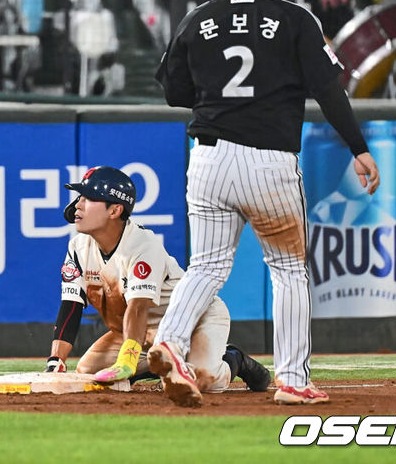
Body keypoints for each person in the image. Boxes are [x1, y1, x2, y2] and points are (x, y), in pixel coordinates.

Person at [153, 0, 381, 407]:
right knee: (288, 271)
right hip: (270, 164)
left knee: (208, 266)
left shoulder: (198, 18)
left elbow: (174, 92)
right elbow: (328, 89)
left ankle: (170, 342)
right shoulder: (296, 19)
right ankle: (294, 380)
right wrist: (358, 147)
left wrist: (214, 97)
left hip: (210, 159)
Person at [43, 165, 271, 400]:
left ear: (115, 210)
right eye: (80, 197)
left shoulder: (143, 245)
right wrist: (56, 360)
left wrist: (127, 359)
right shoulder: (78, 248)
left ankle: (234, 358)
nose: (78, 204)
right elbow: (71, 305)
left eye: (89, 198)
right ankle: (159, 364)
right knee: (88, 371)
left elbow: (138, 307)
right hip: (139, 331)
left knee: (203, 380)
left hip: (193, 321)